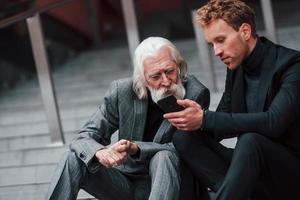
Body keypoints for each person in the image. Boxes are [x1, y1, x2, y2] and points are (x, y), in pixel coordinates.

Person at [164, 0, 300, 199]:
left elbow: (274, 122)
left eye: (221, 40)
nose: (216, 52)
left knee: (250, 141)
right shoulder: (236, 69)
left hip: (292, 175)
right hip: (256, 171)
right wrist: (195, 122)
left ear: (245, 31)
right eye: (211, 44)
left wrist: (206, 119)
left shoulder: (292, 65)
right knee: (184, 138)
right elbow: (222, 121)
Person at [45, 37, 210, 200]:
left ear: (179, 67)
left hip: (176, 185)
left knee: (164, 156)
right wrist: (100, 152)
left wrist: (136, 148)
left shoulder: (195, 94)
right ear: (142, 78)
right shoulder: (122, 91)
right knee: (73, 158)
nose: (166, 81)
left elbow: (187, 149)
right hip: (127, 184)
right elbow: (85, 136)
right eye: (155, 76)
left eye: (169, 71)